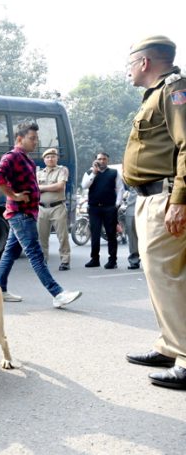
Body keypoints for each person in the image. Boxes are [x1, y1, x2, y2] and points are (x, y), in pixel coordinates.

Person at [122, 35, 186, 390]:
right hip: (150, 197)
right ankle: (170, 345)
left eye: (130, 64)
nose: (128, 71)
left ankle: (184, 356)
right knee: (160, 277)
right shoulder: (157, 93)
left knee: (169, 277)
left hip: (165, 198)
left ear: (144, 62)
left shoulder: (175, 90)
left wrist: (179, 199)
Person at [0, 122, 81, 308]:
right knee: (35, 254)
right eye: (32, 138)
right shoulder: (13, 156)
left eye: (36, 139)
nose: (35, 142)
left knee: (10, 252)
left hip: (26, 213)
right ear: (19, 138)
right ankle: (57, 293)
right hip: (20, 214)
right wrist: (13, 195)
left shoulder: (27, 159)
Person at [81, 152, 124, 269]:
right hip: (94, 207)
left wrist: (117, 204)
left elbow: (120, 189)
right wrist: (94, 173)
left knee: (111, 234)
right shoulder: (89, 172)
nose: (102, 161)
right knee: (95, 234)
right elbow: (84, 185)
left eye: (104, 159)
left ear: (107, 161)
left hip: (109, 207)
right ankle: (95, 259)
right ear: (96, 160)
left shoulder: (114, 173)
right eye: (100, 159)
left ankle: (112, 260)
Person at [37, 147, 71, 271]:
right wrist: (44, 187)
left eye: (53, 156)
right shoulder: (39, 173)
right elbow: (34, 189)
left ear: (57, 158)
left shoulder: (62, 170)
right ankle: (43, 260)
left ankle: (65, 261)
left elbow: (60, 186)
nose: (50, 159)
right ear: (44, 160)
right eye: (47, 157)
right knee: (42, 237)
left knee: (62, 236)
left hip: (57, 207)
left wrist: (42, 187)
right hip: (42, 208)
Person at [122, 186, 140, 270]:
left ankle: (152, 261)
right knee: (132, 236)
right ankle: (134, 260)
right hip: (132, 207)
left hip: (151, 204)